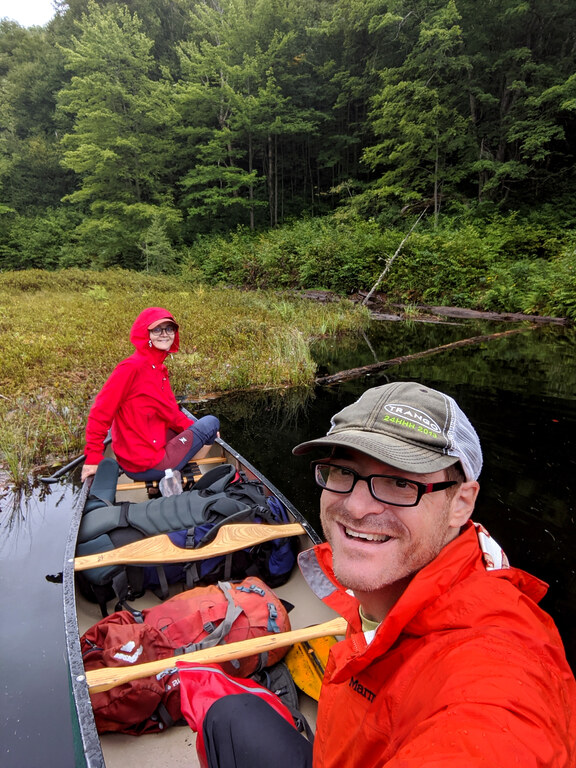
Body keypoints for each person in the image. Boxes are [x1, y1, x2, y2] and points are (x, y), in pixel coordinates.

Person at [202, 381, 576, 767]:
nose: (357, 506)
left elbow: (491, 734)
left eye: (400, 482)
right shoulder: (385, 585)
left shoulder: (498, 670)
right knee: (230, 715)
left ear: (461, 504)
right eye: (342, 472)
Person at [81, 307, 219, 484]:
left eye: (169, 328)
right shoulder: (131, 368)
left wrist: (193, 426)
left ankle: (164, 480)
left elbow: (170, 412)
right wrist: (93, 458)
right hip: (146, 464)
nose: (164, 334)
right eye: (156, 329)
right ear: (145, 334)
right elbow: (100, 412)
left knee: (193, 427)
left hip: (137, 456)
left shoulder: (159, 369)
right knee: (211, 423)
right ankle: (186, 480)